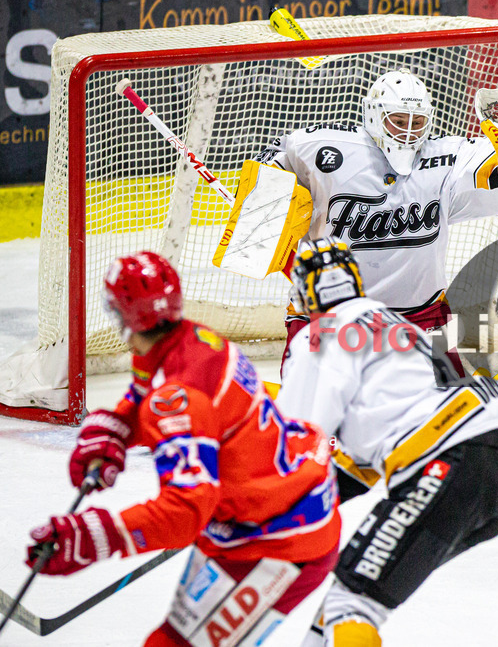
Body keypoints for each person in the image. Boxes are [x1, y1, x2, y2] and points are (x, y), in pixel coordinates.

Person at [25, 251, 341, 646]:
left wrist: (94, 536)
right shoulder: (188, 339)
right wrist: (118, 429)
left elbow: (187, 510)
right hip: (264, 510)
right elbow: (149, 390)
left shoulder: (178, 397)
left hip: (280, 538)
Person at [275, 238, 498, 647]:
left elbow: (295, 449)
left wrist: (253, 511)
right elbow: (374, 451)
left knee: (353, 605)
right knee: (351, 596)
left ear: (305, 292)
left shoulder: (318, 338)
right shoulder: (396, 325)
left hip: (449, 464)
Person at [256, 69, 498, 370]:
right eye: (397, 120)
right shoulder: (319, 149)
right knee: (311, 419)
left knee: (444, 418)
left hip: (422, 319)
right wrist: (270, 199)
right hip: (328, 316)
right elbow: (265, 174)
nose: (408, 131)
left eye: (417, 121)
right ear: (373, 115)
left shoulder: (448, 157)